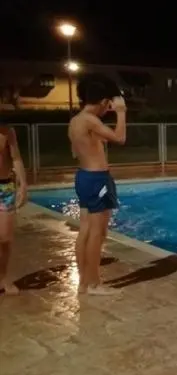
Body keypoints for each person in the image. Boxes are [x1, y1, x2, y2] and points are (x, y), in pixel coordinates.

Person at [68, 73, 127, 295]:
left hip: (84, 176)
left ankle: (84, 282)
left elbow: (76, 151)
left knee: (85, 230)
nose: (107, 110)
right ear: (103, 102)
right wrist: (121, 113)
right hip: (97, 179)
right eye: (107, 106)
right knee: (97, 233)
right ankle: (94, 284)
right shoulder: (91, 120)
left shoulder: (76, 120)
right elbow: (120, 138)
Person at [0, 126, 28, 295]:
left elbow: (16, 158)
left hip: (5, 188)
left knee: (5, 238)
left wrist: (23, 184)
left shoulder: (7, 131)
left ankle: (3, 277)